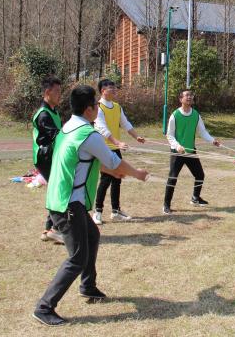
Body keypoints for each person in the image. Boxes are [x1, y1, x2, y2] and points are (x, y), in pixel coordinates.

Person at [32, 85, 149, 327]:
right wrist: (137, 173)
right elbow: (113, 160)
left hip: (63, 199)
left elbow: (86, 159)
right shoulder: (89, 133)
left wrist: (111, 171)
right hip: (67, 203)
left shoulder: (68, 127)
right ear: (88, 109)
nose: (98, 108)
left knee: (92, 235)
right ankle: (44, 307)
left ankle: (88, 286)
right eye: (95, 105)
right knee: (77, 258)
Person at [93, 79, 145, 225]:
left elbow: (125, 123)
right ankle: (97, 212)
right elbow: (101, 128)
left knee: (117, 179)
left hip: (115, 149)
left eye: (114, 87)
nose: (114, 90)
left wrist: (136, 136)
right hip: (103, 148)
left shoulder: (117, 107)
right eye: (111, 88)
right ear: (103, 90)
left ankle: (115, 211)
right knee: (106, 180)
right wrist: (117, 142)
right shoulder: (98, 107)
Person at [163, 89, 221, 214]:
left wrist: (212, 140)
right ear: (181, 99)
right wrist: (177, 146)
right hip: (177, 152)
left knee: (200, 175)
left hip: (191, 151)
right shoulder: (175, 115)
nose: (189, 97)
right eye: (187, 95)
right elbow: (169, 135)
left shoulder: (196, 115)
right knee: (172, 178)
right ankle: (166, 205)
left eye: (191, 95)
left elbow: (202, 131)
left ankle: (195, 198)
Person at [32, 76, 64, 244]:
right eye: (57, 91)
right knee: (59, 191)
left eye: (60, 91)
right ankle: (55, 229)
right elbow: (56, 135)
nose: (60, 95)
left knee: (56, 190)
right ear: (47, 92)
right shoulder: (44, 114)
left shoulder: (54, 111)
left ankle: (48, 229)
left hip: (51, 156)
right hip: (45, 158)